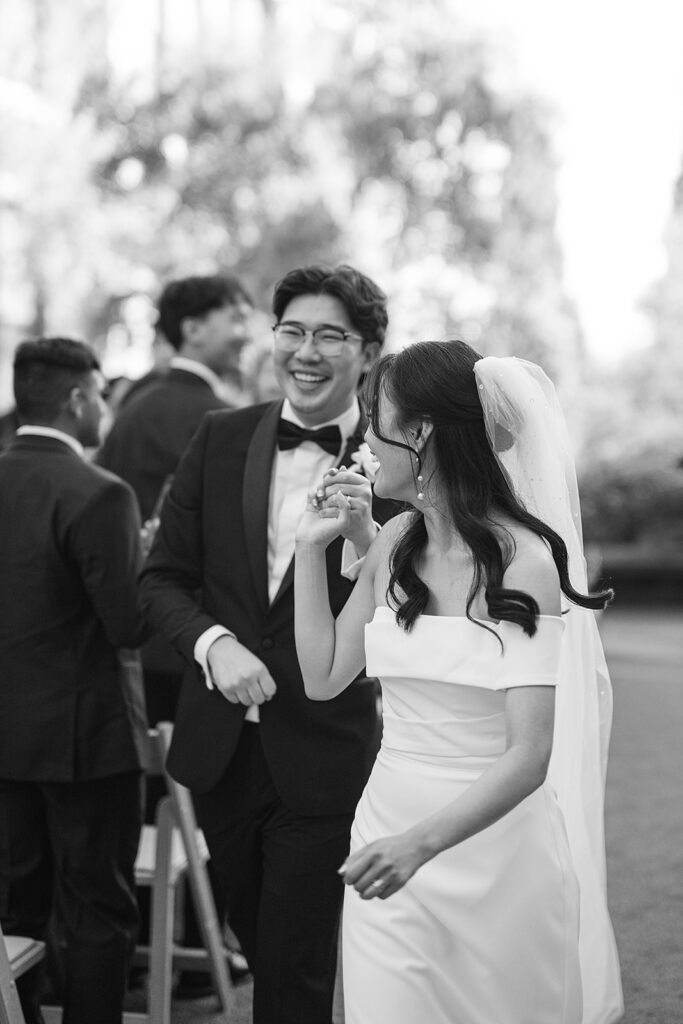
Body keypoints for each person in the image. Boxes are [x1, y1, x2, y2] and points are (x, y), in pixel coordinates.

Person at [294, 340, 624, 1024]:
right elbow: (324, 677)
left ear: (418, 433)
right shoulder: (393, 542)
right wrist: (308, 550)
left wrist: (420, 843)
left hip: (495, 853)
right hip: (384, 834)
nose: (364, 440)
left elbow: (528, 755)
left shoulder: (523, 562)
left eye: (372, 419)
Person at [138, 264, 396, 1023]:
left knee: (294, 967)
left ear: (369, 353)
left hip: (326, 750)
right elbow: (160, 580)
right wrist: (214, 644)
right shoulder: (219, 437)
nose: (305, 351)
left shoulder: (399, 463)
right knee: (256, 938)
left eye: (329, 335)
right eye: (292, 330)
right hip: (221, 751)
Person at [0, 337, 147, 1024]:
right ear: (78, 399)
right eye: (101, 398)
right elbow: (126, 625)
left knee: (14, 908)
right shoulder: (101, 493)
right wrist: (143, 562)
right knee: (97, 907)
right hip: (83, 739)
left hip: (5, 740)